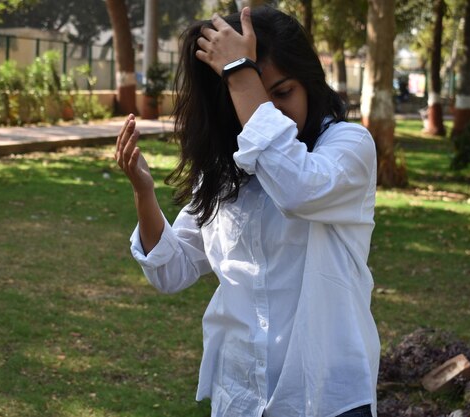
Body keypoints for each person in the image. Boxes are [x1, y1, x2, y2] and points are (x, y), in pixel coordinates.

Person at [114, 6, 379, 417]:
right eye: (252, 92)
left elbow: (297, 190)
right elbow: (173, 269)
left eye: (282, 92)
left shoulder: (348, 147)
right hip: (241, 394)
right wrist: (144, 194)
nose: (269, 108)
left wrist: (240, 70)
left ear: (309, 83)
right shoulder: (227, 171)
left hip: (325, 395)